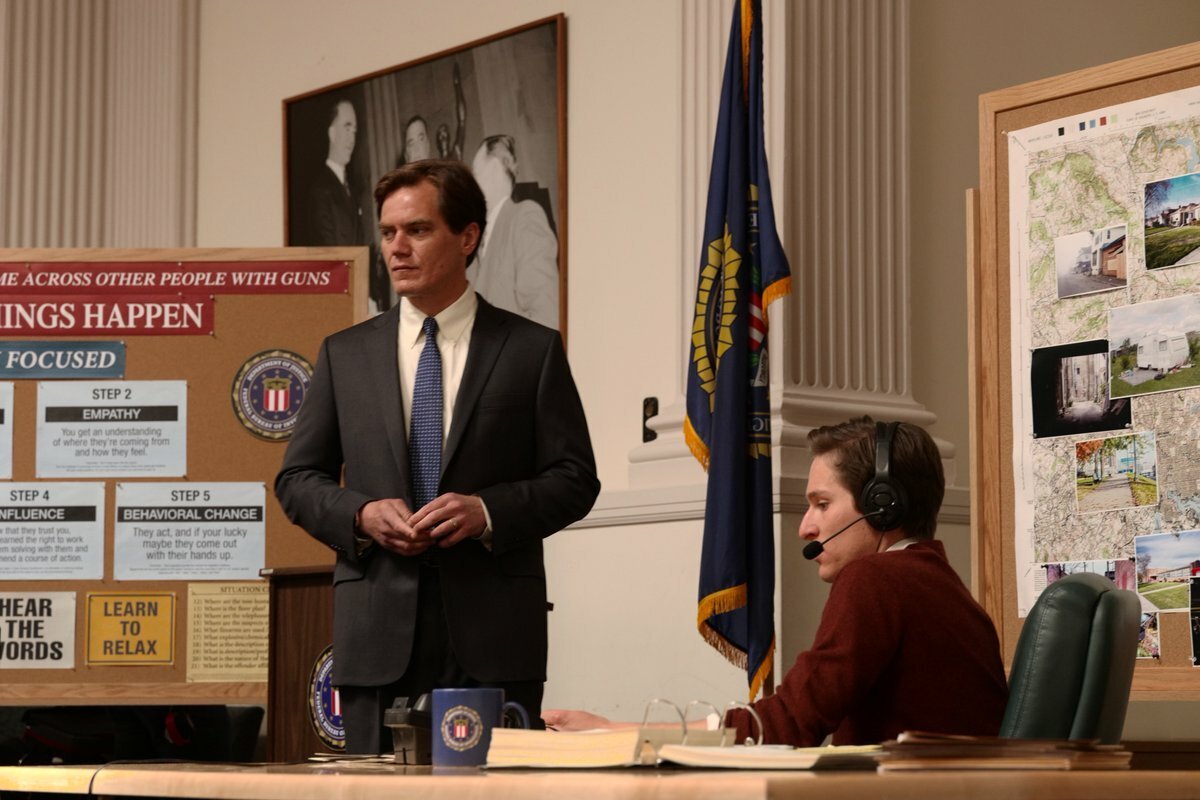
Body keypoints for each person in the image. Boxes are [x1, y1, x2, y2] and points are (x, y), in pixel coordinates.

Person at [275, 159, 600, 754]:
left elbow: (575, 479)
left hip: (495, 637)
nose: (396, 248)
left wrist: (487, 511)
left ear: (467, 237)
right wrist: (360, 515)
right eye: (388, 232)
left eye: (418, 230)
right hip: (376, 632)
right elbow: (298, 478)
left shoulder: (530, 350)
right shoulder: (345, 355)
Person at [544, 417, 1007, 747]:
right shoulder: (942, 586)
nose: (806, 527)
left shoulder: (876, 579)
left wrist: (616, 733)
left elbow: (788, 724)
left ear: (881, 505)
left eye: (822, 504)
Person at [303, 97, 389, 312]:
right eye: (347, 127)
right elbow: (328, 256)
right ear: (332, 133)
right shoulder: (320, 190)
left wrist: (370, 296)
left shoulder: (350, 188)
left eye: (355, 130)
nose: (352, 137)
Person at [468, 135, 560, 329]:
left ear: (494, 170)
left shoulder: (524, 217)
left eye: (474, 173)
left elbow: (547, 318)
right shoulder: (475, 242)